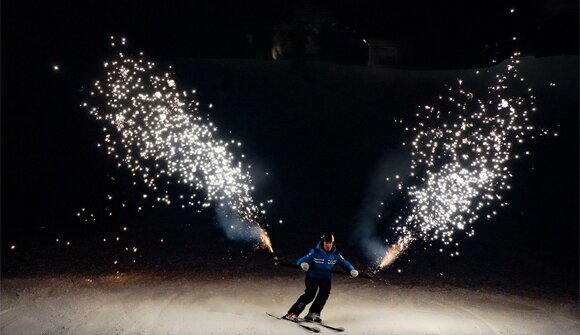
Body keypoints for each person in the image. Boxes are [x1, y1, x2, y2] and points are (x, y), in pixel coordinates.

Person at [283, 233, 358, 323]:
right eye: (326, 242)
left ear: (332, 243)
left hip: (325, 278)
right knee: (309, 295)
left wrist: (351, 269)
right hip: (312, 277)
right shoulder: (315, 251)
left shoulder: (336, 254)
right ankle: (292, 313)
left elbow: (345, 263)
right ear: (323, 242)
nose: (328, 245)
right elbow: (300, 260)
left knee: (323, 296)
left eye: (330, 243)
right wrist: (303, 264)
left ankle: (313, 313)